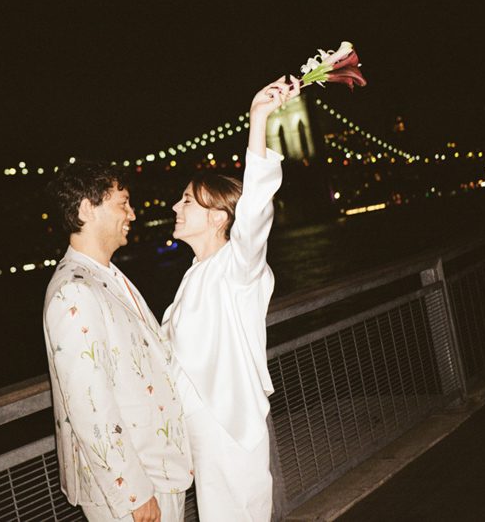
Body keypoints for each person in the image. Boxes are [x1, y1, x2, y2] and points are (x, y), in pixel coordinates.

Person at [164, 75, 301, 520]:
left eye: (187, 200)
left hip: (230, 431)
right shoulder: (195, 277)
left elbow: (256, 209)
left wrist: (258, 119)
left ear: (220, 216)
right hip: (202, 435)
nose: (175, 207)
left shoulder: (239, 269)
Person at [43, 162, 192, 522]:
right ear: (85, 209)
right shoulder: (74, 292)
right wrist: (135, 494)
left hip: (158, 472)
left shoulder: (104, 275)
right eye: (122, 203)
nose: (133, 213)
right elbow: (89, 405)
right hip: (133, 491)